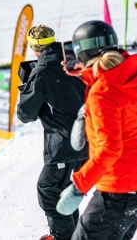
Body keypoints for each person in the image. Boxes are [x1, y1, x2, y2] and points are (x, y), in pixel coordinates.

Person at [58, 20, 137, 240]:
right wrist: (86, 72)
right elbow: (111, 83)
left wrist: (78, 187)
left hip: (120, 188)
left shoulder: (101, 93)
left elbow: (109, 149)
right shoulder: (127, 76)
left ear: (82, 53)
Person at [17, 25, 88, 240]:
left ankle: (62, 237)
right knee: (63, 191)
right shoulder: (71, 60)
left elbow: (25, 113)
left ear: (34, 47)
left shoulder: (41, 72)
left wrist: (28, 86)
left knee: (49, 191)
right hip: (87, 139)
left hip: (65, 144)